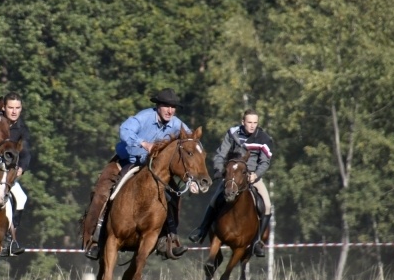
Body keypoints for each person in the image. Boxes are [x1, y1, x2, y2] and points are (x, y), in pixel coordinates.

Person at [82, 88, 191, 260]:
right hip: (127, 161)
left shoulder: (177, 124)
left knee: (174, 196)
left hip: (155, 170)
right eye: (166, 106)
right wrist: (143, 143)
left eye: (173, 107)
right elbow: (124, 130)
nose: (170, 110)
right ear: (158, 106)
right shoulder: (144, 117)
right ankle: (94, 239)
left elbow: (190, 142)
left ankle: (169, 239)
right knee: (103, 191)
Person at [188, 108, 273, 256]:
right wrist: (221, 170)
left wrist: (256, 175)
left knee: (266, 205)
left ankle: (258, 242)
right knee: (214, 200)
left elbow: (265, 162)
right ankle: (202, 230)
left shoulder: (264, 139)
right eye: (249, 122)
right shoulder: (232, 133)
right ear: (243, 122)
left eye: (255, 122)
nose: (252, 125)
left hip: (252, 176)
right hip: (232, 176)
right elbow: (221, 154)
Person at [0, 93, 31, 257]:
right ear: (4, 107)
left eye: (17, 108)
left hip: (8, 174)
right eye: (10, 107)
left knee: (22, 198)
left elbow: (26, 154)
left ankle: (11, 240)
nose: (14, 111)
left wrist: (21, 169)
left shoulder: (22, 129)